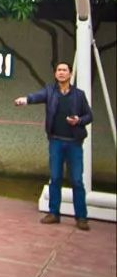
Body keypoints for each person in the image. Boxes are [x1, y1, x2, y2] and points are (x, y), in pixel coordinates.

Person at [14, 61, 93, 231]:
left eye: (64, 70)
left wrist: (79, 121)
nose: (61, 72)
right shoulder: (50, 91)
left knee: (77, 180)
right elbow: (37, 96)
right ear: (55, 74)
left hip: (74, 144)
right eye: (59, 70)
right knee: (55, 178)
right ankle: (53, 213)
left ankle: (81, 217)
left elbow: (89, 116)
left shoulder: (79, 95)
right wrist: (25, 100)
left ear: (70, 74)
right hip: (56, 141)